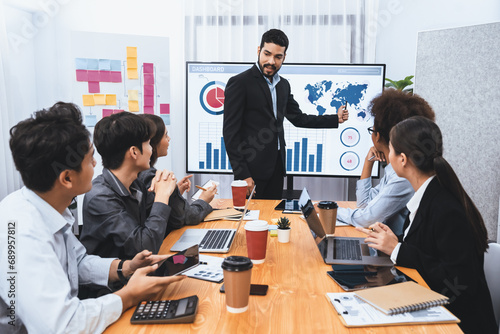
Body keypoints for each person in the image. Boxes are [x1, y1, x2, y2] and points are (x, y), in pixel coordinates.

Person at [0, 102, 184, 333]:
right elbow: (63, 326)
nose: (96, 164)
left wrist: (125, 267)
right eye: (89, 159)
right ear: (67, 178)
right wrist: (128, 295)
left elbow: (78, 262)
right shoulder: (22, 231)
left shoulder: (49, 207)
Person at [358, 116, 498, 334]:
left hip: (456, 323)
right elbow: (429, 247)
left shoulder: (446, 208)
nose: (388, 156)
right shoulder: (429, 195)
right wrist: (395, 243)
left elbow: (458, 282)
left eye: (391, 150)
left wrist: (397, 250)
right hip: (434, 306)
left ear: (402, 159)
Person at [223, 28, 349, 199]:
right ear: (258, 50)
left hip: (276, 168)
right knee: (250, 222)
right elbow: (230, 134)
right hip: (250, 172)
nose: (271, 61)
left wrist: (335, 119)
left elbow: (299, 118)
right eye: (267, 54)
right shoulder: (239, 83)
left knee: (273, 221)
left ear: (284, 57)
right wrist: (243, 174)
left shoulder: (283, 85)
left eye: (278, 57)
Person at [80, 112, 182, 262]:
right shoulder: (100, 197)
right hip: (114, 284)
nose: (151, 149)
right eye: (148, 143)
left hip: (136, 274)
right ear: (134, 152)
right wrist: (162, 197)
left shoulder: (135, 185)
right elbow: (144, 247)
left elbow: (173, 221)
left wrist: (169, 188)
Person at [336, 90, 435, 235]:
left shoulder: (402, 178)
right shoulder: (396, 171)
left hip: (396, 250)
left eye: (372, 130)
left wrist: (329, 209)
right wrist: (368, 162)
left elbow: (367, 219)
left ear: (378, 137)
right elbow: (364, 205)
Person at [137, 113, 216, 235]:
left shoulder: (145, 174)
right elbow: (188, 217)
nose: (169, 139)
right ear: (152, 143)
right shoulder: (150, 177)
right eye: (165, 135)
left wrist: (173, 193)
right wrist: (203, 200)